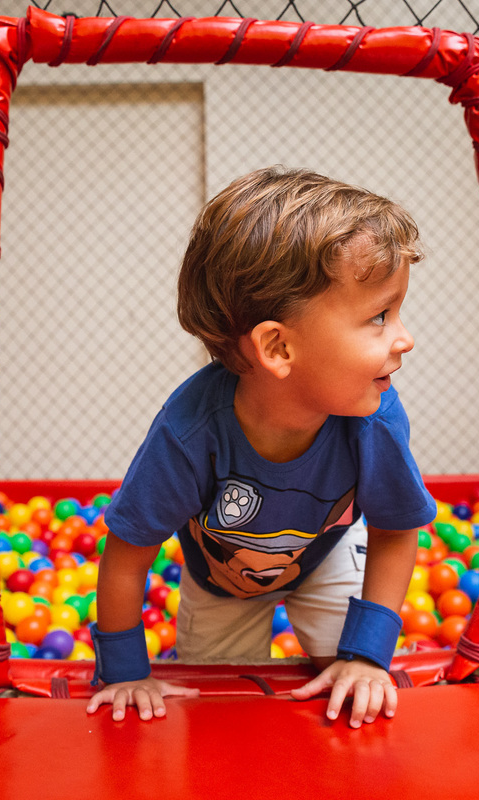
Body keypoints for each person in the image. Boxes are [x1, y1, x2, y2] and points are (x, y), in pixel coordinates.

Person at [86, 166, 435, 728]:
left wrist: (367, 656)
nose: (405, 337)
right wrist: (125, 673)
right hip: (219, 583)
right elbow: (128, 556)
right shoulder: (189, 433)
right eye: (377, 317)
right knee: (216, 708)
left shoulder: (374, 417)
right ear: (277, 347)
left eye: (394, 312)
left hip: (325, 560)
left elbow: (395, 530)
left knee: (351, 685)